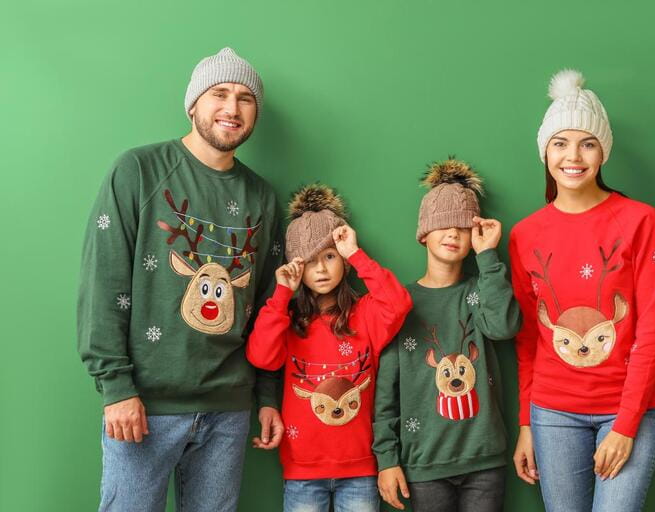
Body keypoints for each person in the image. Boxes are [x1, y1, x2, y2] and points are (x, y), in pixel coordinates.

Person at [77, 47, 284, 511]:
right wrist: (117, 388)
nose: (232, 108)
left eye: (245, 98)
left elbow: (272, 307)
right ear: (193, 104)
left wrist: (268, 395)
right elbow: (104, 282)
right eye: (220, 94)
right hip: (144, 406)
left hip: (228, 409)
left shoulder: (263, 198)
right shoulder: (137, 171)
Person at [508, 69, 655, 512]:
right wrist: (526, 422)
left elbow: (654, 331)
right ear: (545, 151)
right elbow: (528, 340)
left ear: (603, 151)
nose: (573, 156)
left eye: (587, 143)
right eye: (560, 143)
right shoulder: (525, 235)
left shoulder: (640, 221)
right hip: (553, 413)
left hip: (629, 407)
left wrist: (625, 425)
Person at [246, 184, 412, 512]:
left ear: (343, 261)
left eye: (330, 256)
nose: (320, 269)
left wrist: (356, 254)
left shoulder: (365, 314)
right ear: (296, 268)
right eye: (308, 262)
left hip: (361, 468)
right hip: (303, 470)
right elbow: (261, 356)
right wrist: (281, 295)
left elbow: (398, 304)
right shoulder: (289, 319)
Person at [374, 158, 521, 512]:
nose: (454, 233)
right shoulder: (401, 303)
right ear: (424, 232)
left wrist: (488, 256)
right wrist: (387, 459)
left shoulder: (480, 291)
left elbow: (503, 326)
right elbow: (385, 394)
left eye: (463, 226)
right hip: (424, 464)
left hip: (484, 459)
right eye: (444, 225)